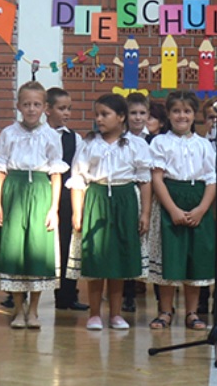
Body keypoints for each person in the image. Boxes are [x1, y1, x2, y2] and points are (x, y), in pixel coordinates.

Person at [66, 94, 151, 331]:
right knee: (96, 257)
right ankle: (94, 314)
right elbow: (78, 179)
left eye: (105, 114)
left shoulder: (136, 145)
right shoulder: (89, 144)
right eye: (97, 115)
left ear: (121, 117)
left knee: (119, 260)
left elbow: (145, 180)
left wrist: (145, 213)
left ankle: (115, 314)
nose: (99, 119)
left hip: (125, 200)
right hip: (97, 198)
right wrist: (77, 212)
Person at [0, 82, 68, 329]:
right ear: (18, 106)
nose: (31, 109)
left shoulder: (51, 136)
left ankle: (33, 310)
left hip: (40, 192)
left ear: (45, 107)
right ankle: (18, 307)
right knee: (14, 249)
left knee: (37, 248)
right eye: (26, 104)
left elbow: (56, 174)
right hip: (14, 191)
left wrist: (53, 209)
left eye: (36, 104)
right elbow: (0, 170)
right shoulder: (8, 133)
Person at [145, 90, 217, 331]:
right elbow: (157, 178)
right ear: (168, 114)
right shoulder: (160, 142)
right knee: (170, 257)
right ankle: (165, 310)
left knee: (194, 259)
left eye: (187, 111)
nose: (181, 116)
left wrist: (202, 209)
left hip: (197, 199)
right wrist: (173, 209)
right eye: (176, 111)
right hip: (170, 198)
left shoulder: (204, 144)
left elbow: (212, 180)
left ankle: (192, 312)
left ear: (194, 114)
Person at [45, 87, 87, 312]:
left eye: (69, 108)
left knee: (67, 244)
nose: (67, 113)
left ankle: (67, 296)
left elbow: (78, 169)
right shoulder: (39, 134)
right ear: (48, 109)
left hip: (66, 196)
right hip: (41, 193)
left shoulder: (74, 138)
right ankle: (18, 295)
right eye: (62, 108)